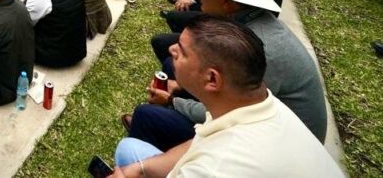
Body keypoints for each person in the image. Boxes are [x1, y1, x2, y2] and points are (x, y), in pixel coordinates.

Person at [123, 0, 327, 155]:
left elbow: (229, 114)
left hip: (270, 147)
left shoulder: (258, 51)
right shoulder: (247, 24)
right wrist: (178, 87)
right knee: (172, 66)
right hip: (252, 122)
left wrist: (172, 101)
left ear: (227, 2)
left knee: (146, 115)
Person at [112, 15, 343, 177]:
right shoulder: (258, 104)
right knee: (130, 152)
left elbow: (211, 161)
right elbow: (198, 143)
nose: (172, 49)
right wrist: (141, 168)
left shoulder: (215, 168)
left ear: (212, 79)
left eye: (181, 50)